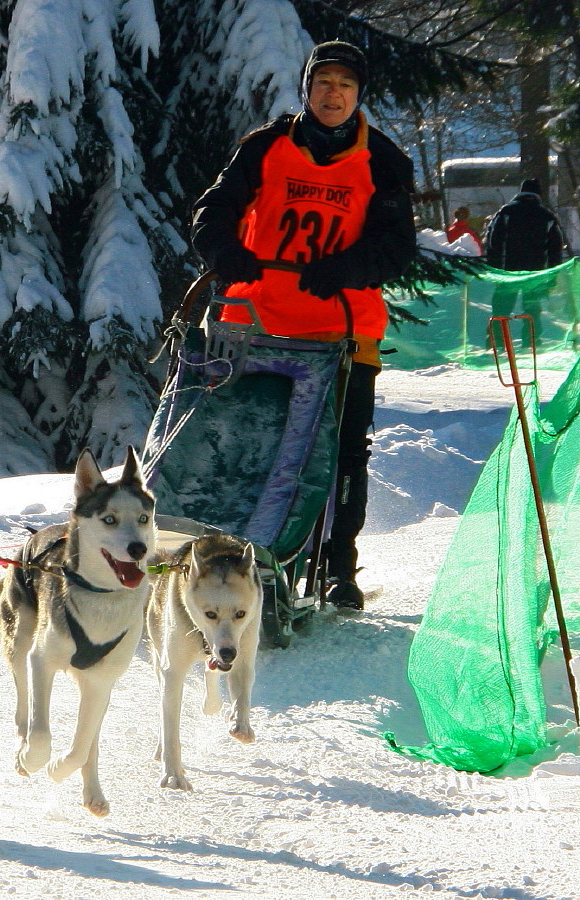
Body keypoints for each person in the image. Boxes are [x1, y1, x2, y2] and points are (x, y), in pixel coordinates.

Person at [189, 40, 417, 610]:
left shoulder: (385, 162)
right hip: (255, 325)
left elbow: (396, 249)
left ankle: (339, 565)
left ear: (358, 93)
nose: (332, 93)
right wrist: (226, 252)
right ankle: (228, 551)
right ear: (307, 89)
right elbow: (211, 212)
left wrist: (343, 269)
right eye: (323, 83)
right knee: (243, 441)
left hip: (342, 332)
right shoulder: (265, 146)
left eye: (344, 84)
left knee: (343, 453)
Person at [483, 178, 565, 330]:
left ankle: (496, 342)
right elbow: (555, 249)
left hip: (507, 271)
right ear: (538, 195)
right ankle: (531, 342)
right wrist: (551, 275)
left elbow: (493, 241)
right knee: (532, 310)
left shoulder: (505, 212)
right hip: (535, 273)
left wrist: (494, 268)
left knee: (501, 309)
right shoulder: (547, 216)